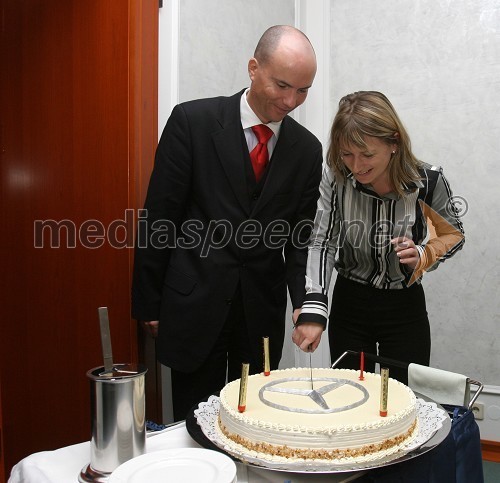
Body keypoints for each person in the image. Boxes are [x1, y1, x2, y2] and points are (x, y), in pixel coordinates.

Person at [132, 25, 322, 421]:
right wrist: (149, 301)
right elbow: (159, 217)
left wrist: (307, 306)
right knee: (193, 423)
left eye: (303, 90)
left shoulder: (306, 150)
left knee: (251, 421)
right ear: (254, 68)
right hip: (192, 303)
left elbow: (300, 239)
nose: (291, 101)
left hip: (260, 314)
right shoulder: (192, 121)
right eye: (283, 85)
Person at [292, 91, 465, 384]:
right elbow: (323, 240)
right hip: (350, 302)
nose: (356, 166)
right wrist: (314, 307)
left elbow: (453, 234)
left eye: (367, 154)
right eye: (347, 154)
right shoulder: (336, 177)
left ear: (393, 142)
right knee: (350, 396)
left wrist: (424, 255)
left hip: (404, 307)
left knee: (403, 401)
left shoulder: (428, 182)